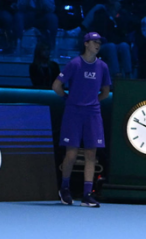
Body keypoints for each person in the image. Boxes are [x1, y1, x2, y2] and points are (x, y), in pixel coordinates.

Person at [53, 32, 112, 208]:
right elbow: (56, 86)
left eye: (99, 43)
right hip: (73, 113)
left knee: (91, 154)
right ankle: (64, 189)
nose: (97, 45)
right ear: (86, 44)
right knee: (71, 154)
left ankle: (87, 194)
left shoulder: (103, 66)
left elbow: (106, 92)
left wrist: (92, 103)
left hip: (92, 114)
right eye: (94, 42)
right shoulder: (75, 64)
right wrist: (67, 99)